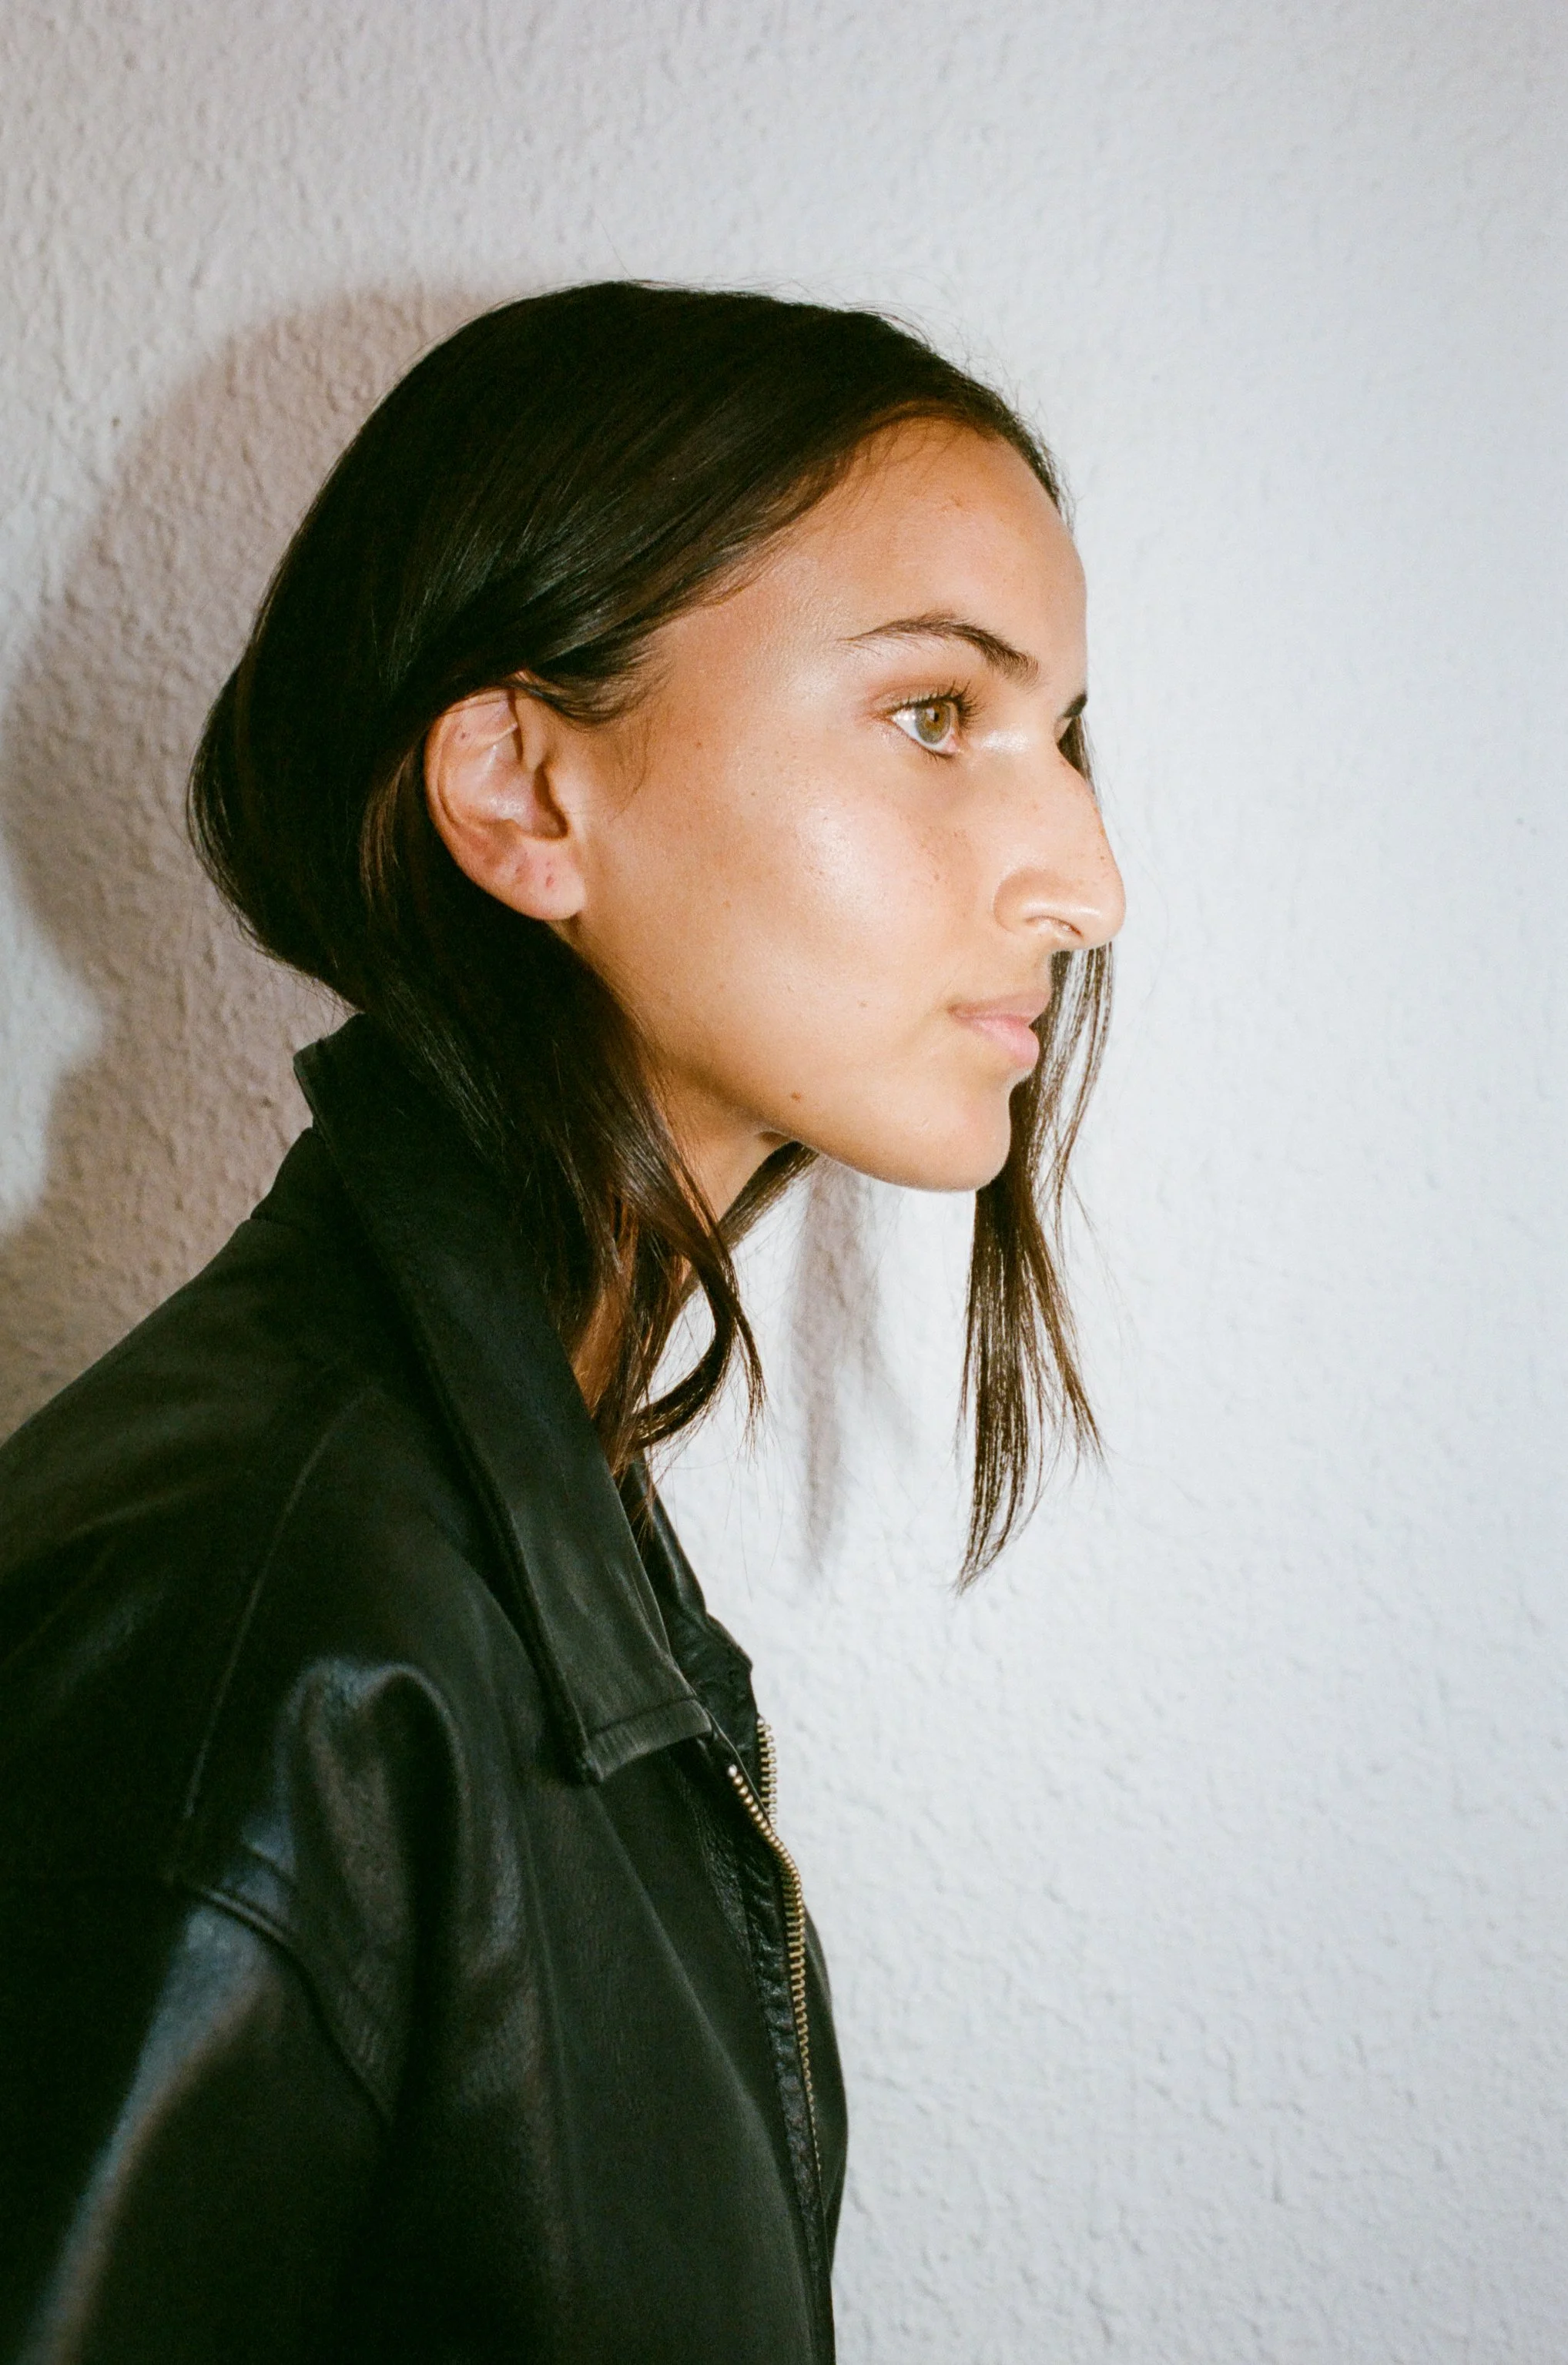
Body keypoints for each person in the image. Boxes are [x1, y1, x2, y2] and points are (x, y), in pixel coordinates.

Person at [0, 282, 1124, 2364]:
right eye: (932, 716)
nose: (1083, 879)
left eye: (1061, 736)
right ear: (524, 790)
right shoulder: (260, 1637)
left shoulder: (488, 1527)